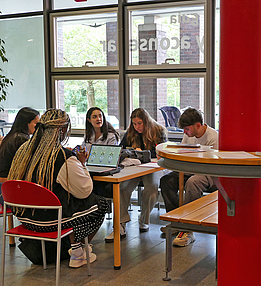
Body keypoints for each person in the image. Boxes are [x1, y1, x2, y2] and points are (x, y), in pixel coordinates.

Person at [7, 108, 109, 268]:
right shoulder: (61, 157)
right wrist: (82, 164)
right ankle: (78, 251)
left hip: (25, 218)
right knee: (98, 203)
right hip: (49, 221)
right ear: (62, 130)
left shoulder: (23, 151)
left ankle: (72, 247)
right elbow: (85, 190)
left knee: (63, 195)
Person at [104, 108, 167, 242]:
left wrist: (145, 153)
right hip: (135, 166)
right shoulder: (131, 133)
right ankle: (120, 224)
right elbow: (120, 150)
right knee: (122, 187)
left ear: (146, 122)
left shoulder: (159, 131)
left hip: (153, 167)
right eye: (134, 124)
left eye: (140, 123)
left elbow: (162, 153)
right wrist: (132, 153)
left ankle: (144, 219)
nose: (137, 127)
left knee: (152, 188)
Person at [160, 107, 218, 247]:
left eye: (187, 129)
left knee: (193, 183)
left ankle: (188, 230)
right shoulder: (189, 135)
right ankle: (176, 221)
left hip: (210, 172)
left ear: (198, 125)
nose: (185, 132)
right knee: (166, 181)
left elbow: (213, 164)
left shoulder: (213, 137)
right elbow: (182, 152)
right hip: (189, 168)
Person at [0, 107, 39, 206]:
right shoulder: (22, 139)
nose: (38, 127)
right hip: (9, 190)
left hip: (4, 188)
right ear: (27, 123)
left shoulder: (11, 136)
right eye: (36, 124)